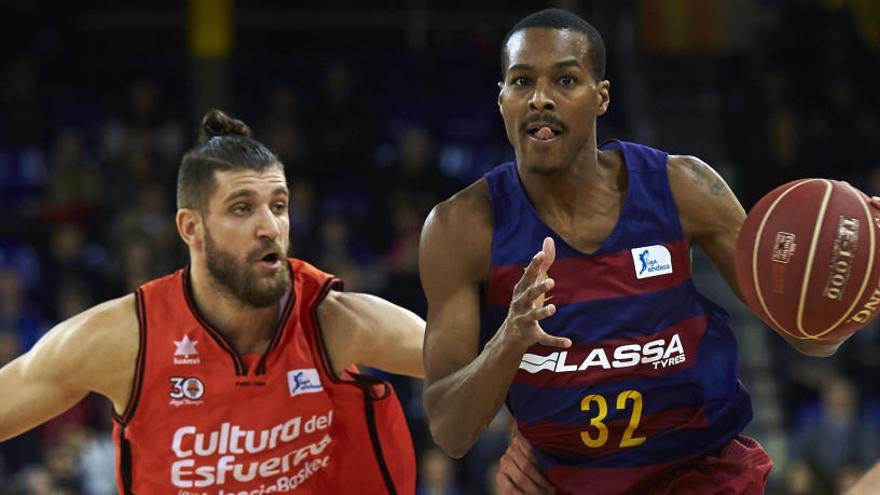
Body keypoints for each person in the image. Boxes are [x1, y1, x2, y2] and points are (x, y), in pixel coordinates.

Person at [419, 8, 853, 495]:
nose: (540, 98)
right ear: (502, 99)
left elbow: (811, 339)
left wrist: (860, 276)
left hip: (701, 478)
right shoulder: (460, 229)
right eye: (521, 82)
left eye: (565, 79)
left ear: (601, 97)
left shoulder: (683, 187)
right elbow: (450, 433)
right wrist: (508, 341)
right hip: (564, 483)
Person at [0, 110, 427, 494]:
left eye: (279, 206)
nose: (270, 227)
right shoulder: (129, 338)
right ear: (191, 228)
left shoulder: (333, 320)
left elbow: (480, 365)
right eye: (242, 209)